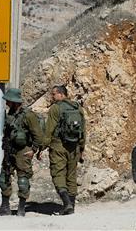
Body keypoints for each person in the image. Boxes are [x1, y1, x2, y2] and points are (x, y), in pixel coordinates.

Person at [0, 88, 44, 217]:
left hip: (23, 151)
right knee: (3, 178)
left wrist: (33, 150)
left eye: (8, 101)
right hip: (9, 150)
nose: (6, 103)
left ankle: (21, 208)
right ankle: (5, 206)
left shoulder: (29, 115)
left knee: (23, 180)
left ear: (14, 101)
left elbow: (38, 135)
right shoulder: (10, 114)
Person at [44, 85, 86, 215]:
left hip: (58, 146)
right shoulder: (77, 107)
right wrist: (81, 147)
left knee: (58, 174)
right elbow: (83, 129)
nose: (52, 97)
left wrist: (41, 147)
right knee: (71, 175)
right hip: (74, 147)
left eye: (54, 94)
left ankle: (67, 204)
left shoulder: (55, 109)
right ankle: (71, 206)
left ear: (62, 94)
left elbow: (49, 130)